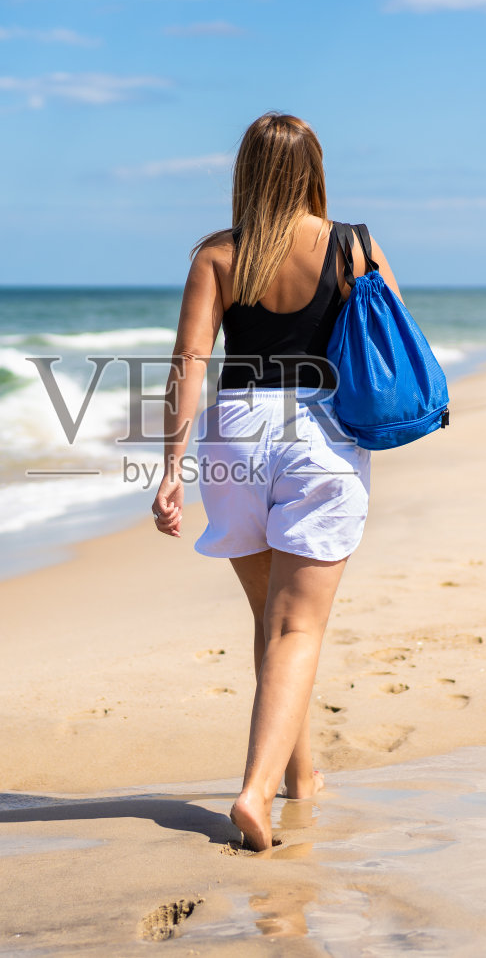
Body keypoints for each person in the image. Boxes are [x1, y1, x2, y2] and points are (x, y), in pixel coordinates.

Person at [150, 112, 399, 852]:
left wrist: (170, 465)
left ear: (247, 172)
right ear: (313, 168)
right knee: (297, 627)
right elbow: (394, 335)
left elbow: (189, 360)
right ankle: (256, 791)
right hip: (322, 433)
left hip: (237, 434)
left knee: (272, 622)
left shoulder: (219, 256)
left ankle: (302, 777)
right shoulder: (353, 244)